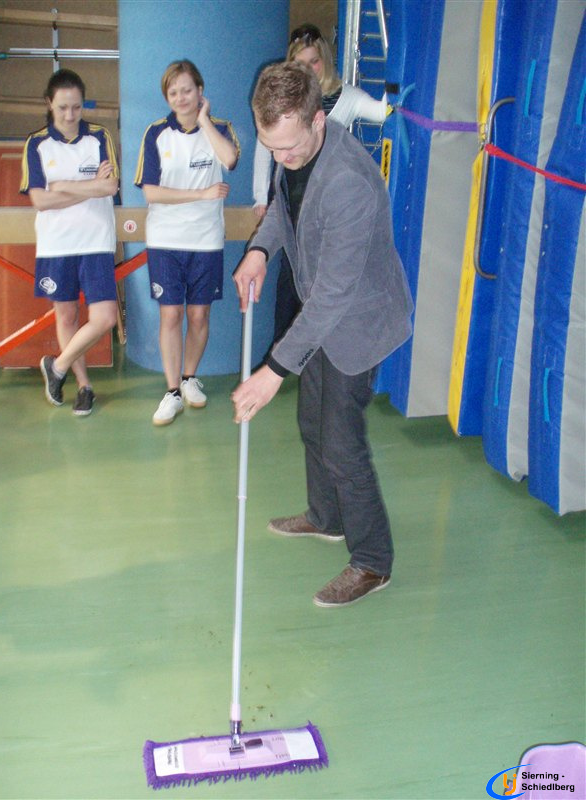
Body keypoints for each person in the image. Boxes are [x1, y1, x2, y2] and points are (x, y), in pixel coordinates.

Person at [232, 62, 413, 608]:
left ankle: (373, 561)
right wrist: (259, 251)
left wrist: (272, 372)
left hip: (358, 324)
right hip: (323, 316)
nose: (280, 157)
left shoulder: (348, 182)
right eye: (271, 147)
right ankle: (326, 516)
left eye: (288, 147)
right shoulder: (291, 149)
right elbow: (283, 209)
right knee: (312, 420)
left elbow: (334, 296)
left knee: (340, 441)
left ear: (318, 119)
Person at [252, 23, 392, 343]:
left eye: (313, 62)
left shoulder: (346, 98)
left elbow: (382, 111)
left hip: (327, 210)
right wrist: (261, 198)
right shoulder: (282, 107)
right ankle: (287, 347)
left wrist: (396, 83)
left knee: (326, 287)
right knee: (290, 290)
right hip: (294, 206)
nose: (308, 69)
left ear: (324, 61)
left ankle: (312, 347)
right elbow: (265, 149)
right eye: (300, 63)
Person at [135, 60, 239, 426]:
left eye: (187, 90)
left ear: (200, 91)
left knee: (198, 315)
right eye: (173, 92)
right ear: (167, 96)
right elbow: (151, 192)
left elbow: (230, 159)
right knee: (171, 314)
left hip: (206, 240)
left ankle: (189, 377)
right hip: (165, 239)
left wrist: (205, 120)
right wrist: (200, 194)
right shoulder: (156, 133)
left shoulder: (220, 129)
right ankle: (172, 392)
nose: (180, 98)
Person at [21, 69, 119, 416]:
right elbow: (39, 200)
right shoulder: (36, 144)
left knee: (105, 317)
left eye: (76, 107)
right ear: (49, 103)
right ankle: (83, 386)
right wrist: (89, 187)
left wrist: (62, 186)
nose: (69, 115)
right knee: (67, 315)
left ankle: (57, 366)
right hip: (57, 243)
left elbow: (110, 187)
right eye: (62, 107)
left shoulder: (99, 137)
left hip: (96, 240)